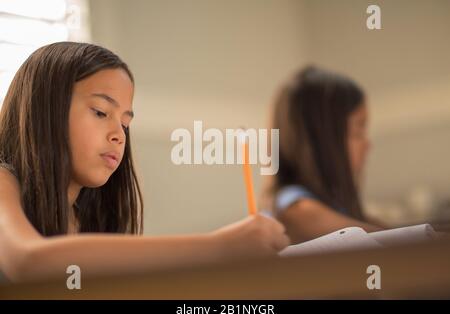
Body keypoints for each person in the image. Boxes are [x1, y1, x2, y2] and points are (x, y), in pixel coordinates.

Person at [0, 42, 290, 283]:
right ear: (44, 110)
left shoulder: (85, 219)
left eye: (125, 124)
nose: (118, 135)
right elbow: (28, 262)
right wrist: (219, 246)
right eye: (101, 112)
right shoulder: (3, 181)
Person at [262, 66, 384, 244]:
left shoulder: (332, 204)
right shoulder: (293, 209)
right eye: (358, 131)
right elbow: (390, 241)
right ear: (321, 140)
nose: (368, 144)